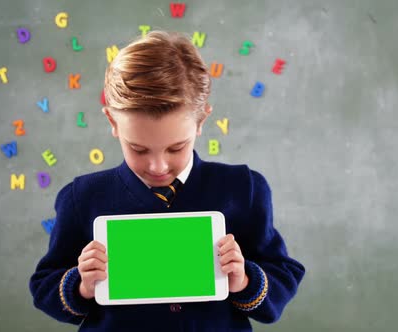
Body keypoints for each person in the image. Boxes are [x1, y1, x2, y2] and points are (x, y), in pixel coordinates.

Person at [29, 31, 305, 331]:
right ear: (112, 122)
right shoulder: (81, 197)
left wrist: (245, 279)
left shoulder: (243, 188)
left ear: (201, 121)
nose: (158, 166)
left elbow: (282, 275)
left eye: (176, 148)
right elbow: (45, 286)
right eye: (138, 149)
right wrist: (82, 285)